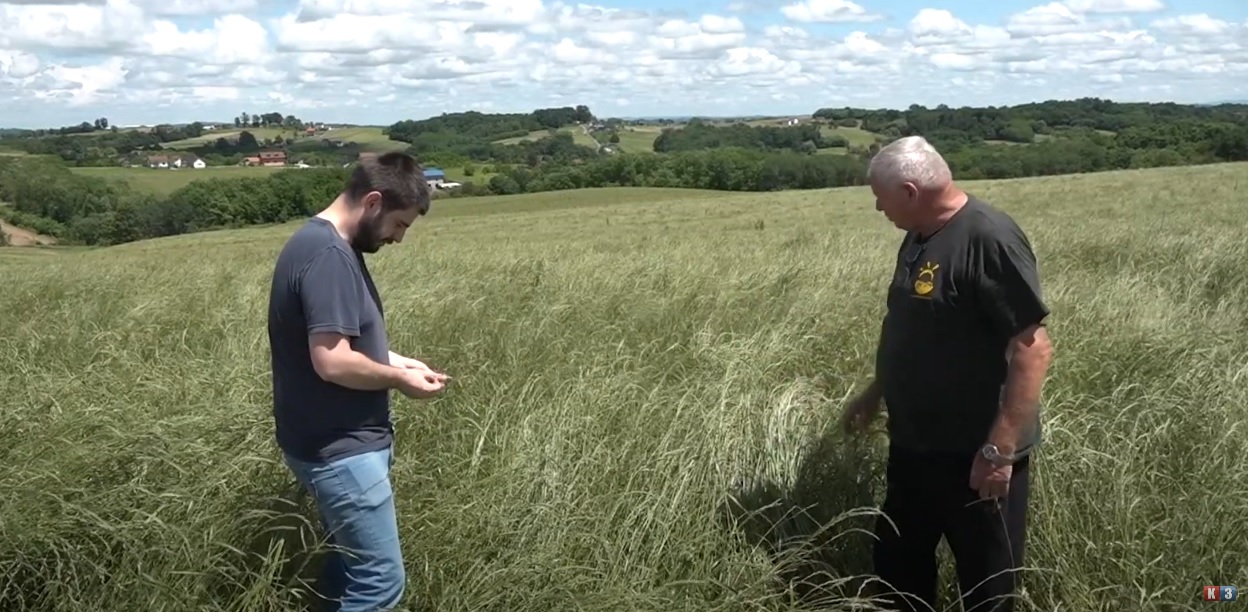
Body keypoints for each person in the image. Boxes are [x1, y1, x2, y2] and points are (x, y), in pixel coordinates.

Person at [841, 136, 1054, 612]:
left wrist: (999, 451)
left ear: (911, 192)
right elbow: (915, 330)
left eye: (880, 196)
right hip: (915, 447)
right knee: (898, 568)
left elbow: (1033, 349)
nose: (877, 207)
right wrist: (876, 391)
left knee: (986, 585)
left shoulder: (989, 239)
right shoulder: (919, 234)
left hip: (974, 455)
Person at [266, 151, 449, 611]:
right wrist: (398, 380)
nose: (398, 238)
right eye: (400, 224)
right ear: (373, 202)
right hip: (341, 451)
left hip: (332, 444)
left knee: (347, 567)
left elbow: (344, 342)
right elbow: (332, 361)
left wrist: (402, 363)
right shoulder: (329, 256)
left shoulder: (323, 243)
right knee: (380, 581)